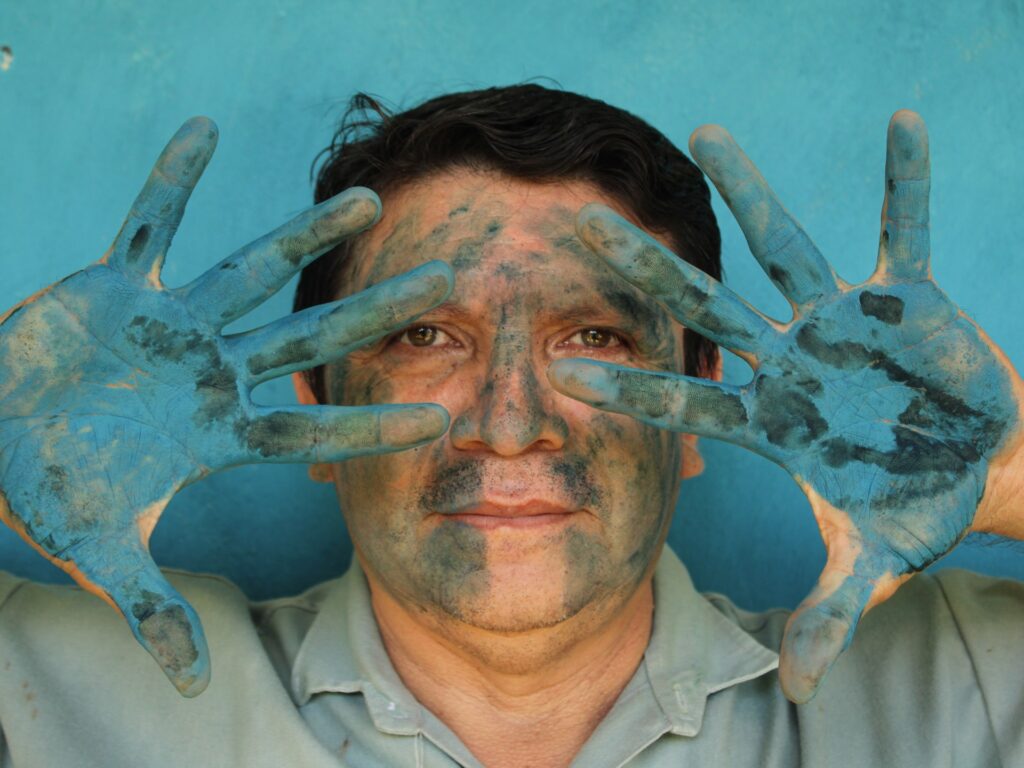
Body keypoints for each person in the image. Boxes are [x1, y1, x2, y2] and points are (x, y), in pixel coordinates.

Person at [0, 84, 1021, 767]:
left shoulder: (948, 694)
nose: (510, 423)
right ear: (317, 398)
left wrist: (1005, 468)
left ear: (706, 402)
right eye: (426, 337)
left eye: (597, 339)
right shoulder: (58, 690)